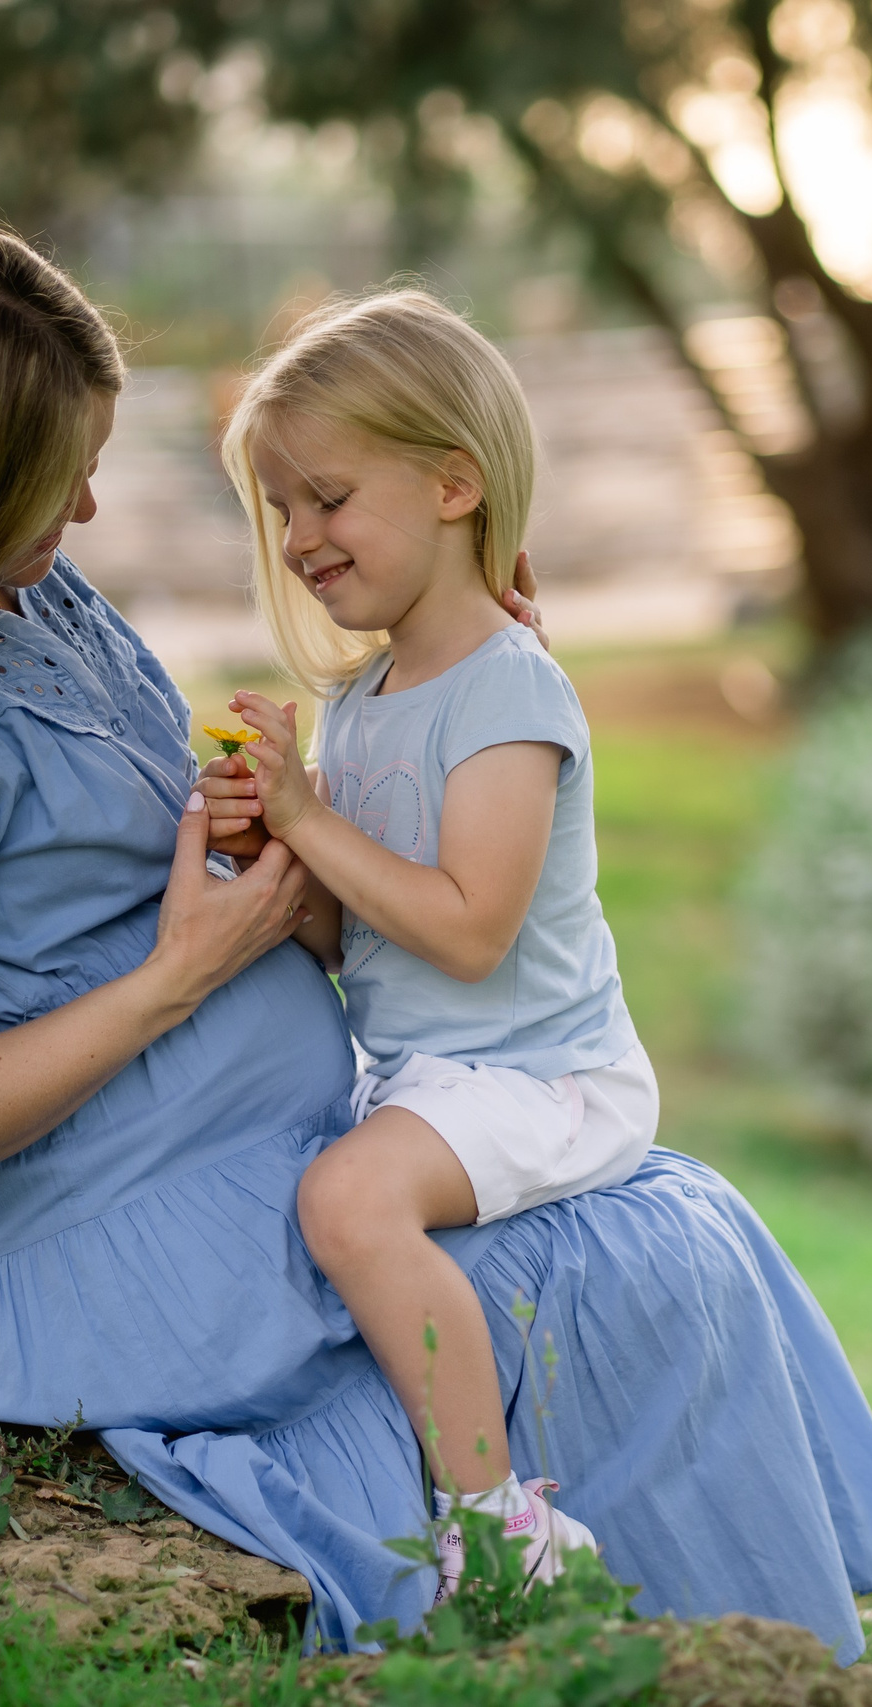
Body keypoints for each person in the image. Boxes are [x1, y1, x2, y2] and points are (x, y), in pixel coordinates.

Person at [0, 219, 872, 1655]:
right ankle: (555, 1599)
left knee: (679, 1225)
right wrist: (181, 976)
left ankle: (714, 1659)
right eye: (57, 480)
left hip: (304, 1126)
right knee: (620, 1269)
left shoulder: (32, 589)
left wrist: (460, 682)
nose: (88, 512)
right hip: (127, 1235)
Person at [210, 293, 649, 1600]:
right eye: (281, 511)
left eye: (327, 498)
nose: (300, 540)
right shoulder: (367, 696)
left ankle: (497, 1523)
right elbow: (369, 939)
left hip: (542, 1074)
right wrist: (274, 858)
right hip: (434, 1068)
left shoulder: (512, 685)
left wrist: (307, 815)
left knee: (346, 1199)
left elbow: (467, 929)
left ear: (455, 482)